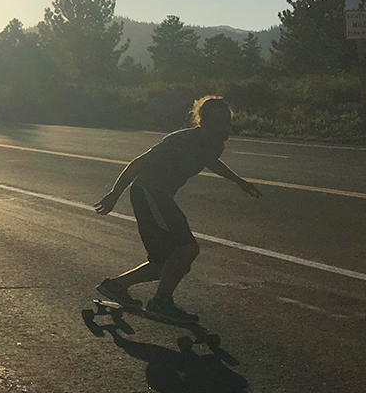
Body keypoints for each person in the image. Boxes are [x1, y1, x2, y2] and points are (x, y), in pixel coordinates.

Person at [94, 95, 262, 323]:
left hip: (158, 195)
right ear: (203, 121)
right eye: (219, 120)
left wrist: (239, 182)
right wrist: (114, 195)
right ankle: (161, 303)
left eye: (228, 120)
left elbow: (210, 160)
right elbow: (139, 163)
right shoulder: (181, 141)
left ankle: (115, 286)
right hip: (149, 192)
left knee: (167, 263)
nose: (226, 126)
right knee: (186, 249)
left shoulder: (214, 145)